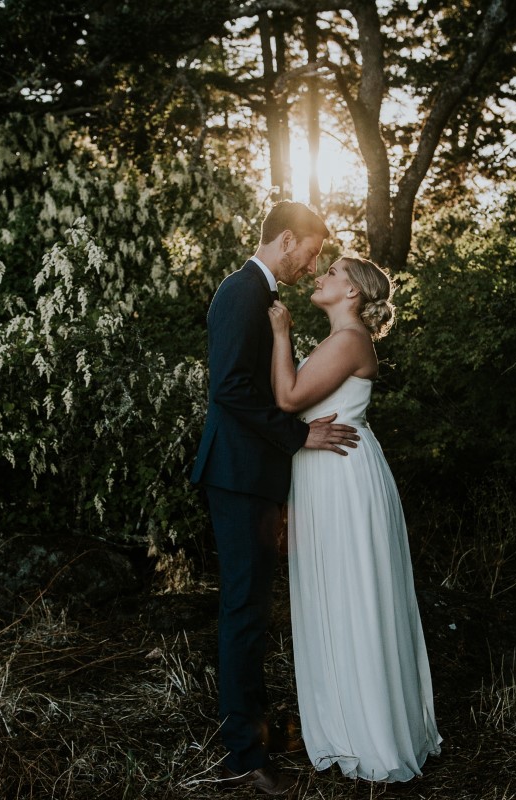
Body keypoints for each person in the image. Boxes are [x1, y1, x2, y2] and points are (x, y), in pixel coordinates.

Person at [190, 201, 360, 796]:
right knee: (243, 609)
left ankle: (255, 729)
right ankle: (241, 753)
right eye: (311, 253)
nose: (312, 265)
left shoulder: (259, 295)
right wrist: (299, 435)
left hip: (255, 475)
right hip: (237, 475)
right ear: (287, 240)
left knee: (254, 608)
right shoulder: (241, 293)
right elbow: (231, 388)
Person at [268, 256, 442, 782]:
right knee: (335, 591)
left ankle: (368, 731)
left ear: (352, 293)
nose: (320, 276)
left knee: (352, 591)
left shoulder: (348, 340)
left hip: (341, 476)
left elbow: (289, 397)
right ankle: (347, 721)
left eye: (333, 273)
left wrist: (279, 334)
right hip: (325, 472)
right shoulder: (341, 339)